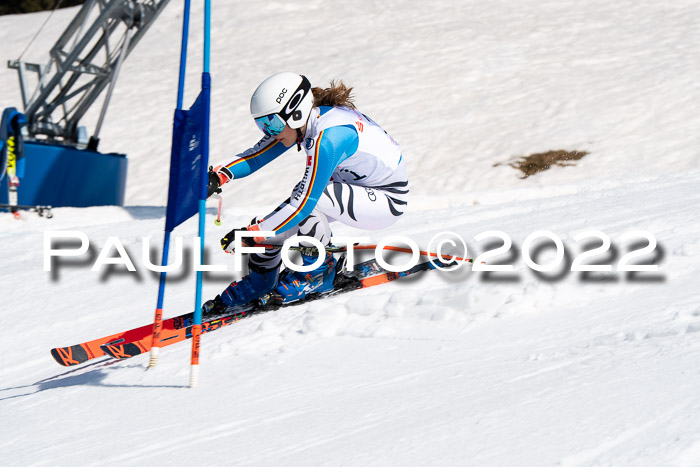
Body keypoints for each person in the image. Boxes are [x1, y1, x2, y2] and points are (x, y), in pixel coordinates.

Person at [203, 72, 408, 313]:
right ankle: (261, 283)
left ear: (296, 111)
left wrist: (252, 234)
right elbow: (256, 156)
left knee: (307, 202)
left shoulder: (329, 137)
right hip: (351, 190)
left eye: (272, 124)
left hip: (385, 199)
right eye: (262, 125)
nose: (269, 132)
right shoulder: (303, 123)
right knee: (276, 221)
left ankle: (319, 273)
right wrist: (219, 175)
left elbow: (304, 205)